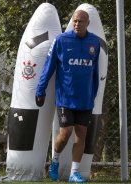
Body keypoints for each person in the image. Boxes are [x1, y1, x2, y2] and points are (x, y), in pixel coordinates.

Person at [35, 10, 100, 183]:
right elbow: (49, 67)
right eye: (75, 21)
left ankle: (74, 173)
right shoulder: (61, 40)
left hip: (85, 99)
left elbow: (95, 71)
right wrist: (40, 90)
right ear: (72, 21)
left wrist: (93, 94)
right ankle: (54, 161)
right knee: (65, 133)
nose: (77, 24)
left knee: (81, 135)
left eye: (81, 21)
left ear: (88, 23)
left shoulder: (94, 42)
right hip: (65, 97)